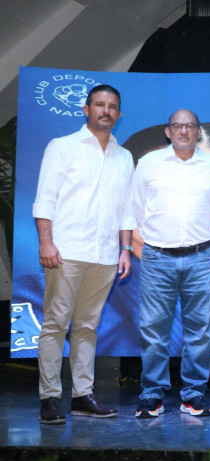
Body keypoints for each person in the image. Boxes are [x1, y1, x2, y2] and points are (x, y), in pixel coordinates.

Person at [32, 84, 134, 424]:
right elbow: (45, 199)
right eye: (99, 104)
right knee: (55, 324)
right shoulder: (62, 147)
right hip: (66, 252)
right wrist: (46, 242)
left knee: (88, 326)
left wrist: (125, 249)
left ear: (118, 114)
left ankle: (82, 396)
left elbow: (126, 209)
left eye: (112, 106)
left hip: (105, 255)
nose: (106, 110)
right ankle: (50, 398)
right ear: (86, 109)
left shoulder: (123, 157)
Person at [132, 109, 210, 418]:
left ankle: (194, 394)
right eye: (177, 126)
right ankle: (152, 394)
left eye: (190, 126)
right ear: (168, 131)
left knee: (200, 330)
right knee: (153, 329)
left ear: (198, 131)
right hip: (157, 257)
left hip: (201, 256)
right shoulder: (149, 163)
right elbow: (137, 207)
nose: (184, 131)